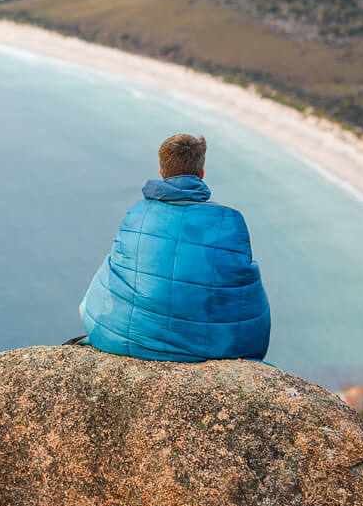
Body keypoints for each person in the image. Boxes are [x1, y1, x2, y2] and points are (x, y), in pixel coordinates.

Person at [77, 132, 271, 361]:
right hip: (211, 348)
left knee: (114, 262)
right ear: (201, 174)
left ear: (162, 172)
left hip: (126, 339)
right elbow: (244, 288)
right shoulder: (230, 220)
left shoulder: (138, 214)